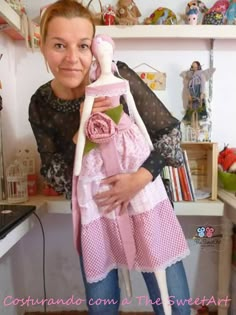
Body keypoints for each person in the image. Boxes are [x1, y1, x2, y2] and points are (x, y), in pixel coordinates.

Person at [28, 1, 191, 314]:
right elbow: (55, 173)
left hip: (147, 204)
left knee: (174, 306)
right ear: (42, 44)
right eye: (59, 45)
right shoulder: (41, 102)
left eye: (83, 45)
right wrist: (83, 129)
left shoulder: (116, 78)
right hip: (96, 217)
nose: (72, 58)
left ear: (95, 47)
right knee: (101, 307)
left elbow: (170, 136)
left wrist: (136, 182)